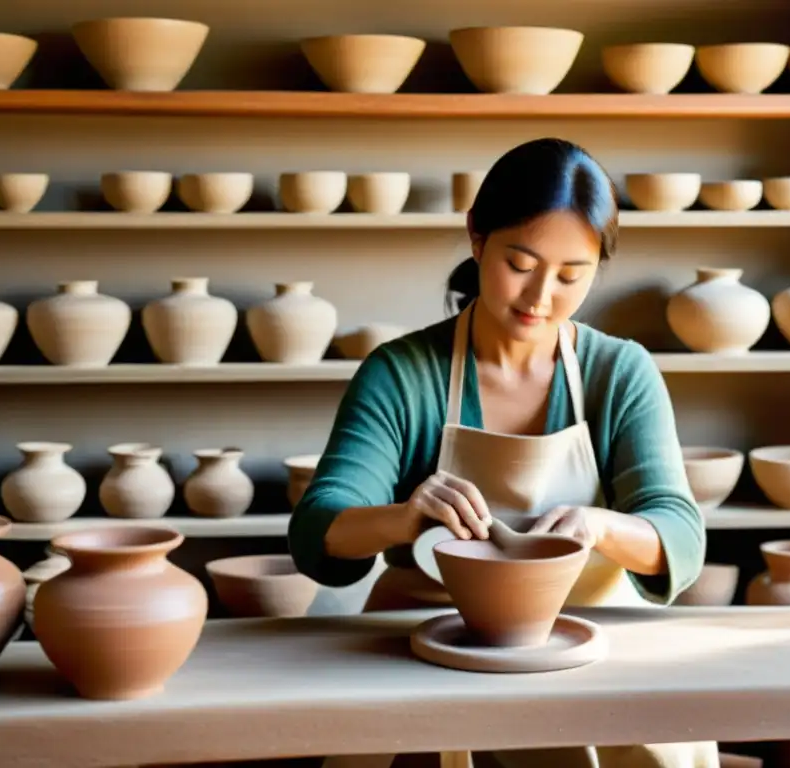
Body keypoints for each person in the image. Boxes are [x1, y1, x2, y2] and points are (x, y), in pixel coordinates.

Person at [289, 137, 714, 768]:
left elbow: (680, 535)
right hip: (430, 630)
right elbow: (319, 525)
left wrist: (599, 526)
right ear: (476, 236)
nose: (541, 296)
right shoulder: (402, 374)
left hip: (592, 631)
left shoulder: (620, 371)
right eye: (521, 263)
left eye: (572, 276)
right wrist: (407, 515)